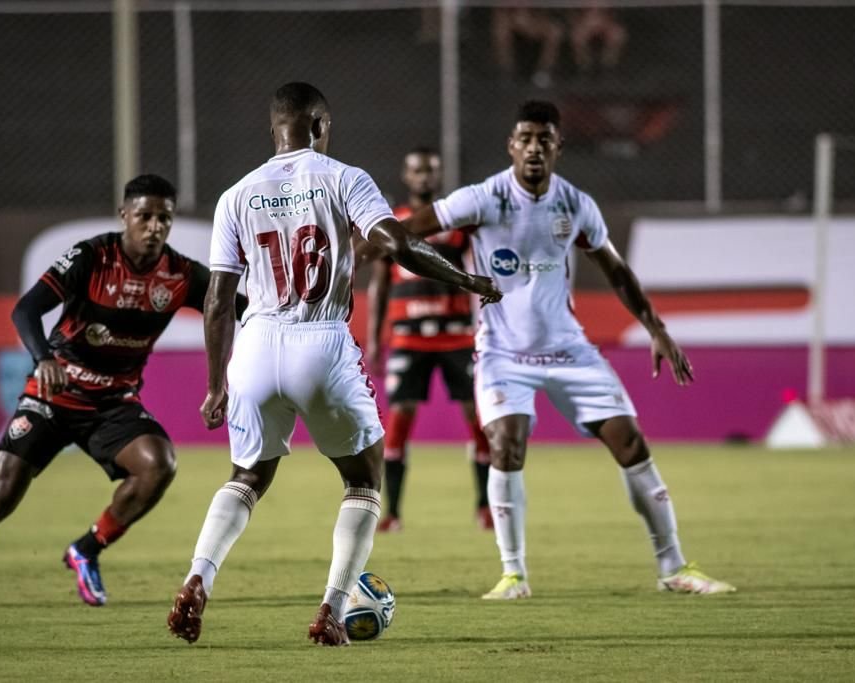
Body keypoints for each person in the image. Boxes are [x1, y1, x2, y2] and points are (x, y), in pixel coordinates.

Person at [166, 82, 501, 647]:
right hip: (320, 338)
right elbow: (398, 245)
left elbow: (218, 299)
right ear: (320, 125)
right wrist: (466, 279)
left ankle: (198, 576)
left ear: (274, 129)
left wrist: (215, 384)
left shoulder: (235, 195)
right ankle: (331, 608)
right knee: (363, 480)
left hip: (255, 345)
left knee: (247, 477)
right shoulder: (345, 178)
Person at [400, 100, 736, 599]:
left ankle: (673, 567)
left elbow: (616, 270)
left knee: (631, 444)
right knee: (506, 443)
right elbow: (404, 233)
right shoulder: (484, 198)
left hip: (569, 349)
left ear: (558, 147)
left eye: (544, 139)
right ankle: (513, 575)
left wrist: (657, 328)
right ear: (512, 146)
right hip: (503, 353)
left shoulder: (576, 205)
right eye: (525, 139)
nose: (534, 148)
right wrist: (440, 272)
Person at [0, 174, 244, 608]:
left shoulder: (180, 274)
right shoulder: (92, 256)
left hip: (113, 403)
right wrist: (43, 359)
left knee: (158, 465)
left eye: (163, 219)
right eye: (144, 216)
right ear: (124, 215)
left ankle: (86, 549)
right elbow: (26, 309)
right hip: (53, 396)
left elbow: (237, 307)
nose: (154, 227)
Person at [366, 147, 492, 533]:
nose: (424, 176)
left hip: (456, 335)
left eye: (430, 170)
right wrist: (374, 339)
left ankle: (485, 506)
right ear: (407, 175)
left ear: (438, 176)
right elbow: (380, 282)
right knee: (399, 419)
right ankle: (392, 512)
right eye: (417, 170)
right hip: (408, 336)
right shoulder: (392, 222)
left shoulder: (455, 221)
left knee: (477, 416)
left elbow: (480, 268)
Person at [492, 6, 565, 89]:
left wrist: (534, 20)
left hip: (537, 20)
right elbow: (500, 11)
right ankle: (506, 71)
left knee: (555, 32)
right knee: (501, 28)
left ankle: (543, 73)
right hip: (516, 19)